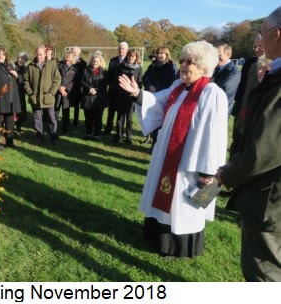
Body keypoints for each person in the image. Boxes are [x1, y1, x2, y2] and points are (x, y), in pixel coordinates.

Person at [119, 40, 228, 258]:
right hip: (166, 154)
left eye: (191, 62)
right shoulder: (178, 88)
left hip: (190, 162)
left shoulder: (211, 94)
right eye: (183, 60)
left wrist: (208, 170)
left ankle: (178, 246)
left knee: (183, 203)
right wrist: (137, 94)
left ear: (204, 67)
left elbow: (214, 134)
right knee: (164, 195)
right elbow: (156, 103)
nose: (184, 65)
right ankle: (158, 237)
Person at [216, 6, 281, 281]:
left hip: (270, 197)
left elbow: (266, 148)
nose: (259, 38)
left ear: (276, 34)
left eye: (262, 32)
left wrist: (228, 174)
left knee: (264, 272)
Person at [24, 45, 62, 145]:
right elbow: (25, 81)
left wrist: (51, 92)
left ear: (45, 54)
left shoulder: (52, 64)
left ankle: (53, 136)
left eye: (41, 54)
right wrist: (30, 93)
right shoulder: (30, 66)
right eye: (37, 54)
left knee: (51, 117)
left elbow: (57, 79)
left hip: (48, 97)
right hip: (35, 97)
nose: (39, 56)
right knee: (37, 118)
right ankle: (39, 136)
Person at [141, 46, 177, 148]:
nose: (160, 55)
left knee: (161, 123)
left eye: (162, 53)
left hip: (164, 98)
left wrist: (158, 89)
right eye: (158, 53)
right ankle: (151, 141)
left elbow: (172, 84)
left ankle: (157, 146)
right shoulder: (152, 66)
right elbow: (144, 78)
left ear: (166, 55)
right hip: (151, 97)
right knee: (151, 120)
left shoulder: (171, 67)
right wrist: (149, 86)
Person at [113, 48, 143, 145]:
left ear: (136, 57)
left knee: (129, 117)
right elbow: (116, 80)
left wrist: (134, 92)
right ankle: (118, 135)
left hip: (131, 96)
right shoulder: (121, 66)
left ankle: (128, 136)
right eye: (129, 55)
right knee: (120, 116)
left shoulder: (139, 68)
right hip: (121, 94)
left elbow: (140, 82)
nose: (130, 57)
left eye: (133, 56)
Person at [80, 51, 107, 140]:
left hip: (99, 98)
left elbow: (105, 84)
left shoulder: (104, 72)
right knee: (88, 117)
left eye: (97, 62)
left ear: (100, 62)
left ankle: (96, 135)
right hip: (87, 97)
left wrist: (96, 90)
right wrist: (89, 89)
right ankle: (88, 133)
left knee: (98, 118)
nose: (95, 63)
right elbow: (82, 81)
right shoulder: (85, 70)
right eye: (93, 61)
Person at [104, 41, 128, 135]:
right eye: (119, 48)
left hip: (123, 91)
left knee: (121, 113)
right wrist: (109, 84)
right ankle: (108, 128)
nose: (120, 50)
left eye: (122, 48)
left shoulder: (128, 60)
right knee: (111, 111)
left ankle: (120, 130)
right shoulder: (113, 60)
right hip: (113, 90)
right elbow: (109, 73)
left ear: (126, 50)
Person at [212, 43, 241, 115]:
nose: (216, 57)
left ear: (228, 54)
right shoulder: (215, 68)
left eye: (219, 54)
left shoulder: (233, 72)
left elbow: (224, 92)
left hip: (220, 113)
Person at [55, 52, 77, 135]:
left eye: (69, 57)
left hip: (67, 94)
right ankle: (54, 129)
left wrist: (65, 88)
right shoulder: (58, 66)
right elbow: (55, 78)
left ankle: (65, 130)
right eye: (66, 57)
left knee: (66, 113)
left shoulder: (75, 69)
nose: (67, 59)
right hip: (58, 92)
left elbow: (74, 82)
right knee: (55, 112)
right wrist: (59, 87)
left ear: (72, 59)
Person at [12, 51, 29, 135]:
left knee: (20, 112)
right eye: (19, 57)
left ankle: (18, 128)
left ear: (25, 60)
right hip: (11, 91)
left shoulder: (25, 69)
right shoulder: (12, 65)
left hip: (20, 93)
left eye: (22, 59)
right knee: (11, 111)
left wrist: (17, 76)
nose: (20, 60)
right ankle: (10, 127)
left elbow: (24, 80)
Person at [70, 46, 87, 128]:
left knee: (76, 105)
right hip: (68, 86)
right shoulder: (68, 60)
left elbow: (83, 75)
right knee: (67, 104)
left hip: (77, 87)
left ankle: (75, 121)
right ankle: (66, 120)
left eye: (76, 52)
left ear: (79, 53)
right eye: (73, 51)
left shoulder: (83, 63)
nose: (75, 53)